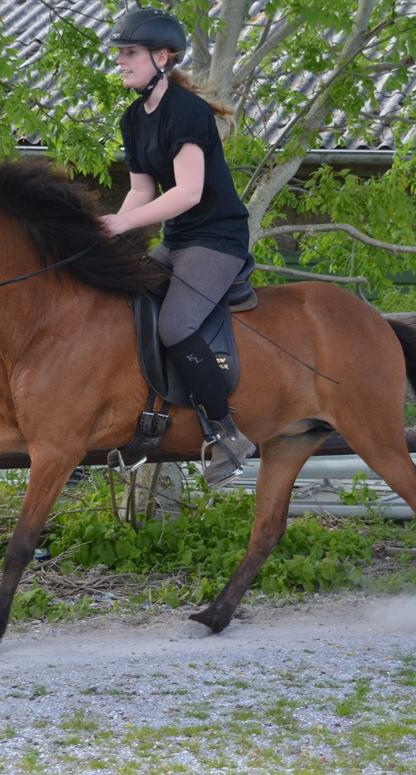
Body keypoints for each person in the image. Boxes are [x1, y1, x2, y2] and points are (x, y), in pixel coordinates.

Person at [101, 7, 255, 488]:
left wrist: (123, 222)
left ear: (162, 58)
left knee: (175, 322)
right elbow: (143, 192)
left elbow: (187, 192)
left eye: (130, 53)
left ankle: (227, 432)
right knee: (124, 300)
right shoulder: (133, 118)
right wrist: (111, 237)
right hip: (180, 240)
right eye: (121, 53)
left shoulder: (186, 112)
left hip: (218, 240)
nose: (121, 62)